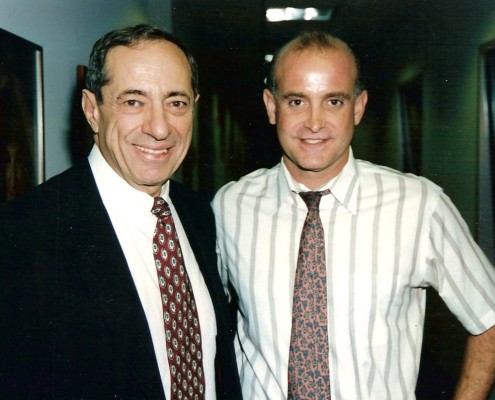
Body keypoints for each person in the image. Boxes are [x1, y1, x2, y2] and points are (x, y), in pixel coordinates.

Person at [212, 31, 495, 399]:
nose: (314, 123)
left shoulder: (419, 205)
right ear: (271, 105)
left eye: (333, 101)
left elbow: (489, 318)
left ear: (358, 107)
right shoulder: (230, 206)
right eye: (297, 101)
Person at [0, 24, 241, 399]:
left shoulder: (197, 214)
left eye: (176, 102)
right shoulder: (23, 233)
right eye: (133, 101)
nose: (160, 128)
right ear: (91, 110)